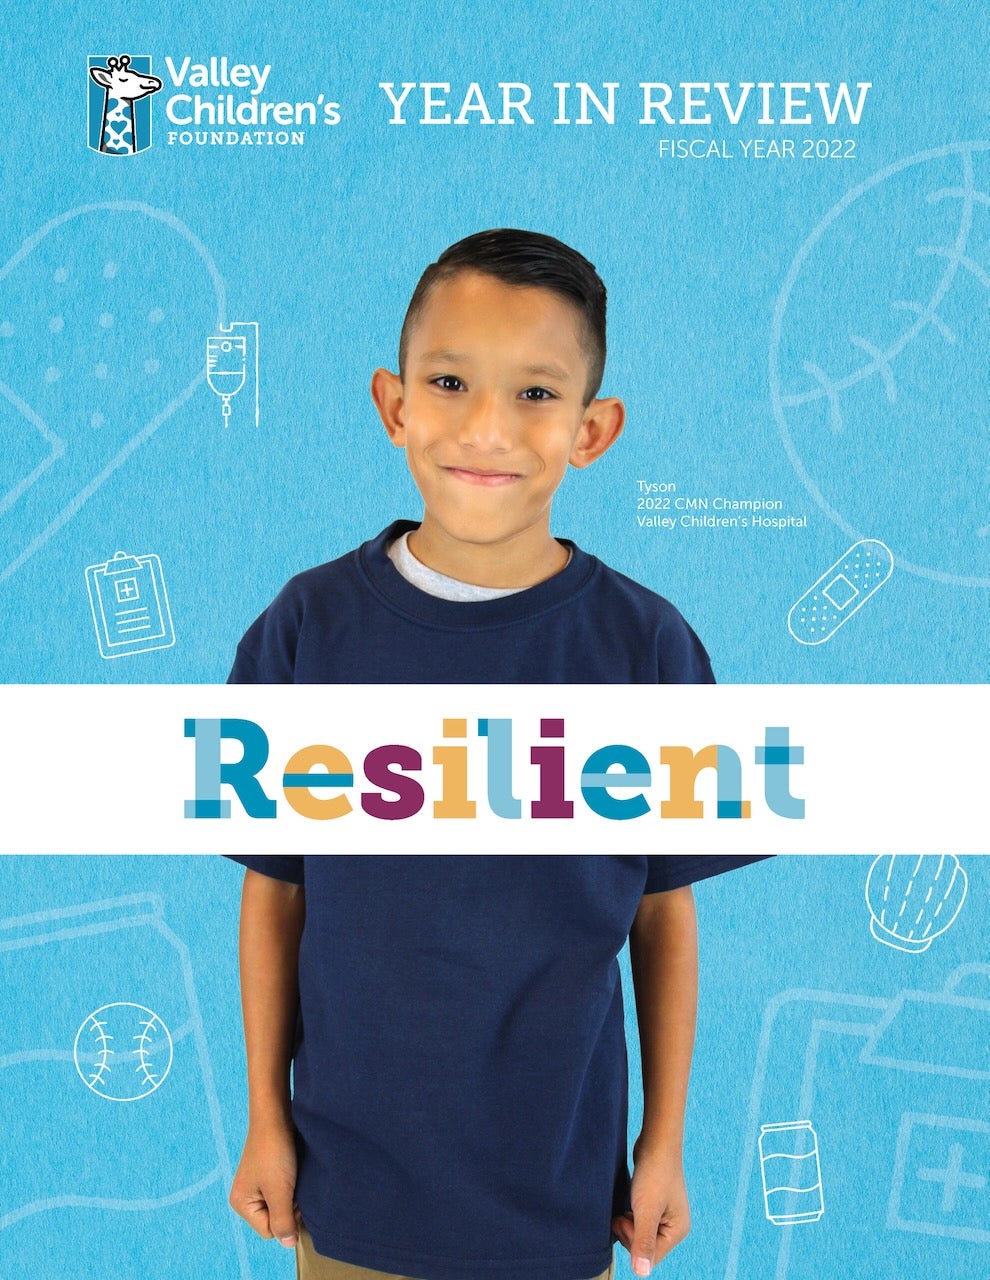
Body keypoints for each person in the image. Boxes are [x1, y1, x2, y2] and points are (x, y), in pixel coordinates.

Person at [225, 229, 769, 1280]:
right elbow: (274, 888)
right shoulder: (307, 628)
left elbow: (664, 913)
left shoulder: (646, 647)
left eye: (535, 393)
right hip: (351, 1190)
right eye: (450, 382)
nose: (487, 426)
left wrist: (662, 1144)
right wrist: (264, 1118)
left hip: (558, 1199)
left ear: (591, 429)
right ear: (394, 405)